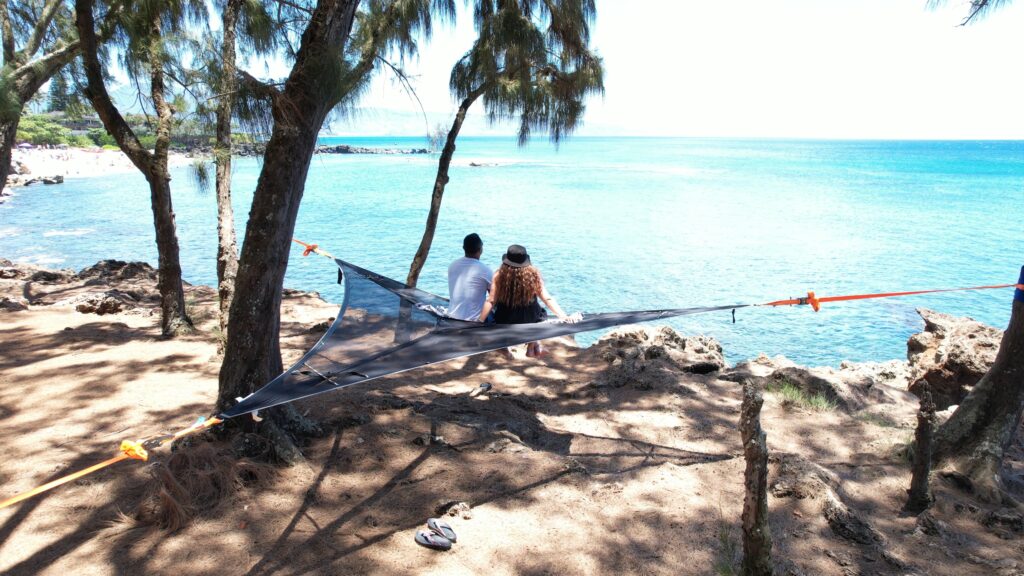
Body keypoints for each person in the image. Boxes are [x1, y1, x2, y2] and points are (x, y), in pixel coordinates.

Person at [479, 244, 569, 357]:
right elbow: (547, 298)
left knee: (497, 311)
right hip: (530, 319)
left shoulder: (499, 275)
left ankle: (506, 348)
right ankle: (532, 346)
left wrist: (479, 321)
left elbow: (491, 300)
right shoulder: (533, 275)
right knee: (537, 312)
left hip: (506, 320)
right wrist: (562, 316)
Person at [447, 233, 493, 321]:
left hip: (452, 316)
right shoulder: (486, 270)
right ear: (481, 249)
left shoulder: (452, 265)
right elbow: (493, 297)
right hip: (473, 321)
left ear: (463, 248)